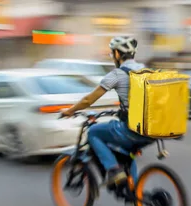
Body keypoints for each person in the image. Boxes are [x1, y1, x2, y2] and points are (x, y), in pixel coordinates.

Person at [61, 36, 152, 187]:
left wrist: (70, 111)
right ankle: (135, 188)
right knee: (128, 151)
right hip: (151, 130)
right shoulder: (147, 70)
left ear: (117, 54)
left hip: (131, 130)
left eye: (112, 53)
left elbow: (88, 100)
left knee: (93, 132)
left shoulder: (117, 74)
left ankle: (114, 170)